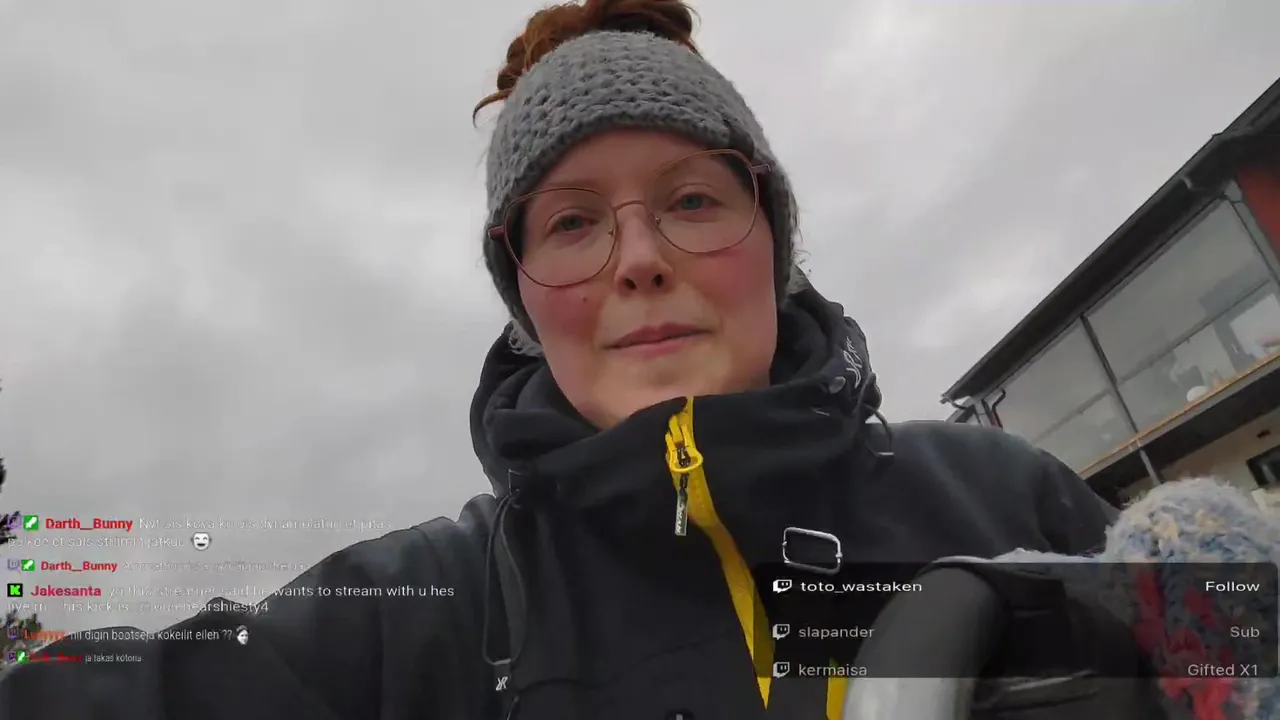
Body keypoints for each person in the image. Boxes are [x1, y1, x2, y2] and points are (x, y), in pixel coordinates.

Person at [0, 1, 1118, 718]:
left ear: (772, 244)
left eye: (693, 199)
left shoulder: (1006, 498)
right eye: (573, 223)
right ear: (523, 297)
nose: (640, 259)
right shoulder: (430, 611)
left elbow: (1214, 634)